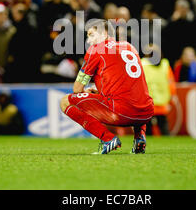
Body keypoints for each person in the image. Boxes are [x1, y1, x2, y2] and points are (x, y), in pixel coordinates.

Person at [60, 19, 154, 154]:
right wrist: (99, 91)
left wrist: (87, 92)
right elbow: (127, 82)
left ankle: (108, 139)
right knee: (136, 96)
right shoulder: (129, 46)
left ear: (104, 33)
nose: (88, 41)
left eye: (91, 35)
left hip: (122, 112)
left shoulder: (96, 49)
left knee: (65, 101)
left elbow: (77, 89)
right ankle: (139, 138)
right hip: (146, 113)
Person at [141, 44, 176, 136]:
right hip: (160, 102)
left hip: (149, 102)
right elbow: (171, 82)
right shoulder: (165, 64)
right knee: (163, 126)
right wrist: (172, 96)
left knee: (148, 128)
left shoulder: (143, 64)